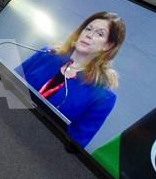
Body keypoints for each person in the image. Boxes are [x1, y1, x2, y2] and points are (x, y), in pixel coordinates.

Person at [17, 11, 125, 148]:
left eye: (99, 34)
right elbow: (5, 80)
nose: (89, 35)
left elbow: (75, 142)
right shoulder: (47, 54)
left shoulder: (103, 97)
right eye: (88, 29)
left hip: (33, 145)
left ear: (108, 46)